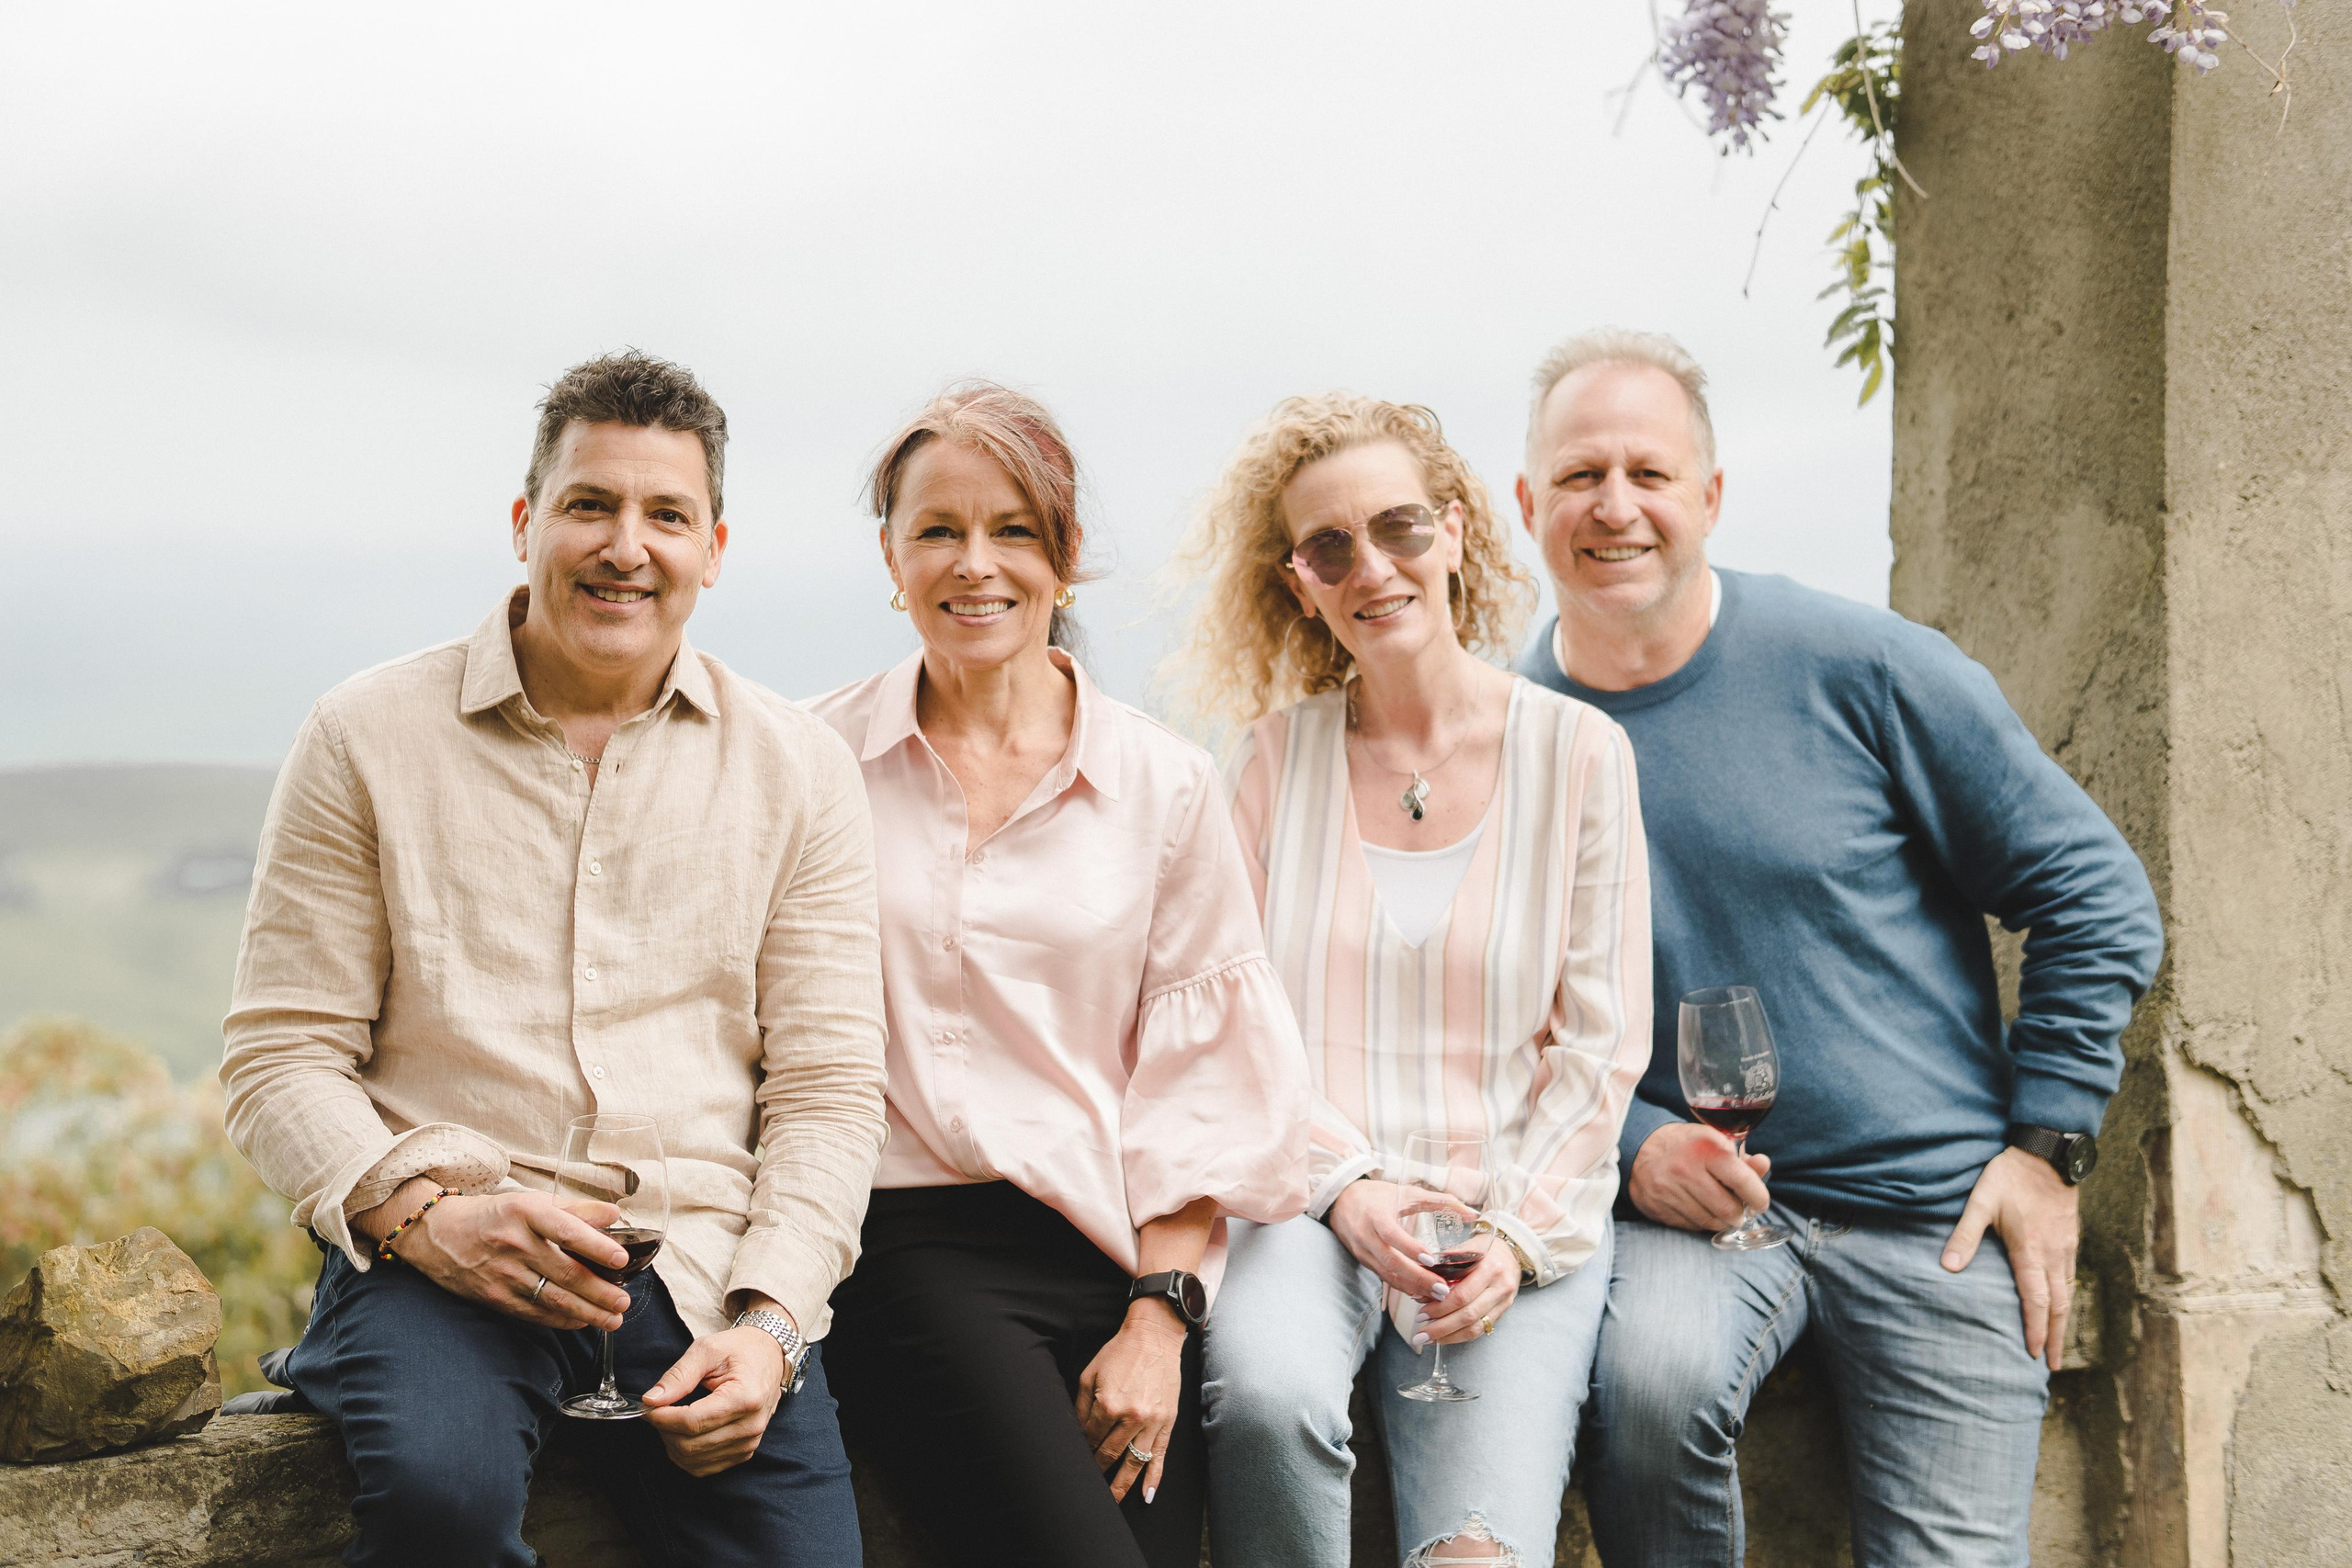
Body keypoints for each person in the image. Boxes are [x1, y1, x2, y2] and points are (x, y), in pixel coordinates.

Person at [1509, 329, 2165, 1567]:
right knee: (1646, 1393)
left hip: (1935, 1212)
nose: (1616, 506)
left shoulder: (1860, 664)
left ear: (1709, 496)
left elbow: (2093, 888)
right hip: (1690, 1229)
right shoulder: (1506, 739)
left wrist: (2047, 1145)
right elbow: (1494, 1017)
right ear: (1528, 502)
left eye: (1650, 472)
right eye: (1582, 474)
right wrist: (1640, 1143)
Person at [221, 351, 888, 1568]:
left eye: (666, 515)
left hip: (699, 1267)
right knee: (441, 1495)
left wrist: (774, 1322)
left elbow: (831, 1090)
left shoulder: (800, 771)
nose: (625, 544)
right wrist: (424, 1214)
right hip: (444, 1265)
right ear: (527, 522)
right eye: (591, 504)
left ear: (714, 548)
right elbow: (279, 1057)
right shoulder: (365, 735)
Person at [805, 380, 1311, 1568]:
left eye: (1012, 530)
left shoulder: (1163, 783)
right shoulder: (811, 762)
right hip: (905, 1246)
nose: (974, 564)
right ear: (891, 553)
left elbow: (1207, 1084)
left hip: (1110, 1261)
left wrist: (1158, 1314)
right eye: (938, 529)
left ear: (1066, 555)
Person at [1163, 392, 1653, 1568]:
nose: (1370, 567)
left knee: (1474, 1557)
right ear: (1298, 582)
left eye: (1399, 528)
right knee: (1271, 1408)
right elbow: (1240, 1024)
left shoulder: (1580, 754)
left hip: (1506, 1212)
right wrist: (1348, 1188)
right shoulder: (1271, 763)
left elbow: (1601, 1046)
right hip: (1311, 1207)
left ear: (1458, 533)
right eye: (1329, 547)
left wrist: (1516, 1241)